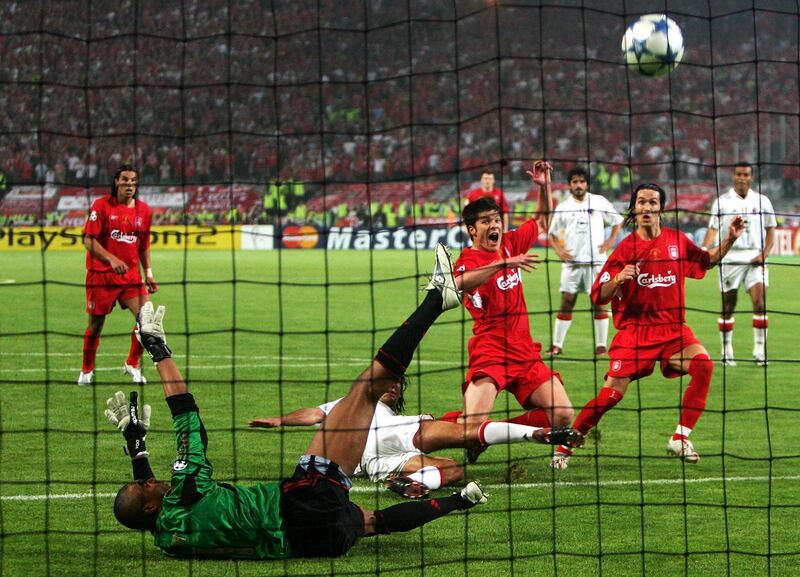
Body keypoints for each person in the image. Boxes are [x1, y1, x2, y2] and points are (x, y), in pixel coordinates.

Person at [106, 246, 492, 559]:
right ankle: (437, 300)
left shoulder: (167, 541)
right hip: (303, 502)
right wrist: (158, 351)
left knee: (374, 522)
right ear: (150, 507)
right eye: (147, 486)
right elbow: (187, 418)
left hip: (314, 541)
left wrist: (139, 454)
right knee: (366, 390)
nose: (154, 481)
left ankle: (461, 501)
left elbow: (154, 506)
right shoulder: (186, 491)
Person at [550, 183, 746, 469]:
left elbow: (707, 260)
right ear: (634, 209)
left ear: (660, 208)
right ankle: (565, 444)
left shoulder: (677, 241)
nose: (647, 207)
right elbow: (599, 296)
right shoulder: (625, 249)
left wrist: (730, 238)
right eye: (641, 202)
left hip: (673, 329)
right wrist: (617, 279)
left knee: (704, 365)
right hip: (636, 333)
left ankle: (680, 437)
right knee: (610, 396)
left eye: (652, 202)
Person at [249, 379, 582, 498]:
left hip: (373, 463)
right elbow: (313, 414)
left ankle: (415, 483)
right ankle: (536, 433)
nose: (394, 387)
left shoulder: (380, 410)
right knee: (465, 433)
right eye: (390, 382)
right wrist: (281, 419)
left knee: (453, 471)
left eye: (398, 385)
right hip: (380, 439)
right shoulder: (355, 403)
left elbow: (316, 415)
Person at [454, 160, 575, 463]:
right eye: (485, 221)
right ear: (472, 229)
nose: (494, 225)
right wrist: (500, 264)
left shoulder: (510, 243)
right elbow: (460, 282)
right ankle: (433, 427)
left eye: (496, 219)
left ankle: (491, 435)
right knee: (470, 427)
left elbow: (542, 218)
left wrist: (544, 187)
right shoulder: (468, 259)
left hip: (525, 353)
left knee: (562, 416)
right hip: (490, 352)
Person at [78, 164, 157, 385]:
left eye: (133, 181)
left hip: (130, 277)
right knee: (96, 326)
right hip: (101, 277)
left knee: (147, 320)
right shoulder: (101, 206)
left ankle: (132, 363)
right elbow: (88, 240)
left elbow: (143, 246)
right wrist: (111, 260)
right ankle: (87, 369)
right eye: (125, 180)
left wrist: (148, 273)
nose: (129, 185)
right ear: (116, 182)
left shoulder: (144, 211)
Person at [702, 162, 776, 366]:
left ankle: (760, 352)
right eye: (738, 174)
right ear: (733, 176)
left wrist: (765, 253)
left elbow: (771, 229)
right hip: (729, 257)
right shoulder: (721, 202)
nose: (742, 177)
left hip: (755, 257)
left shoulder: (762, 201)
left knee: (760, 303)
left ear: (751, 178)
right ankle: (727, 351)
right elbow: (713, 229)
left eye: (746, 174)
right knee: (728, 306)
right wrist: (705, 249)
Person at [547, 167, 623, 356]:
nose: (579, 185)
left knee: (599, 302)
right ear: (570, 185)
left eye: (582, 181)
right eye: (575, 182)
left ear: (586, 184)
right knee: (566, 302)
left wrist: (610, 242)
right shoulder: (563, 207)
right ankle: (557, 345)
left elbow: (617, 221)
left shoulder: (598, 201)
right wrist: (559, 251)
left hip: (596, 263)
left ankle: (601, 346)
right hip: (572, 264)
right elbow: (552, 234)